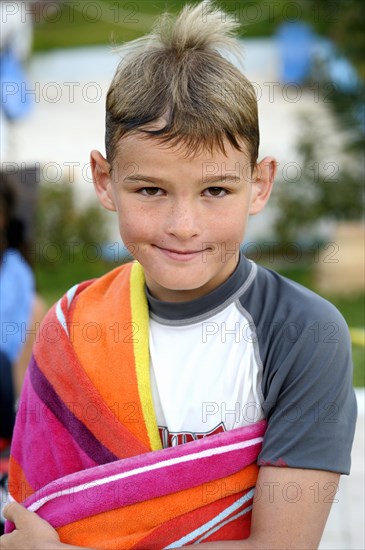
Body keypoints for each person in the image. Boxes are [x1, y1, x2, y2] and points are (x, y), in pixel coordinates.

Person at [0, 1, 357, 548]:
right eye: (150, 190)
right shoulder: (71, 329)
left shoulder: (304, 334)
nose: (183, 226)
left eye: (216, 190)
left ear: (260, 184)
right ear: (104, 180)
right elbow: (36, 514)